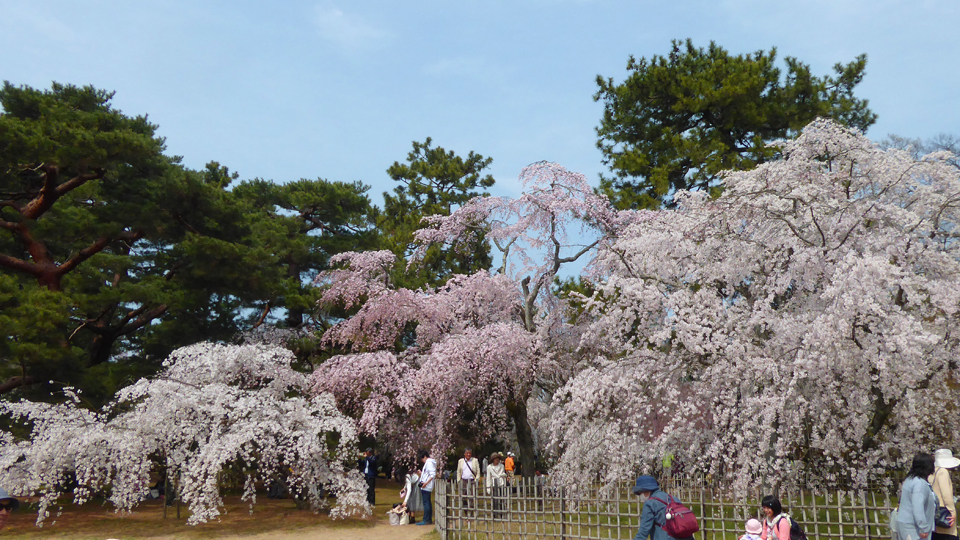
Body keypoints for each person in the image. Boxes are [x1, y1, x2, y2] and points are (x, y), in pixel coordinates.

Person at [632, 475, 694, 540]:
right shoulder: (673, 498)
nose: (641, 496)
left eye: (641, 493)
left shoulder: (650, 504)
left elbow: (643, 532)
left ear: (646, 491)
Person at [897, 452, 937, 540]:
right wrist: (923, 527)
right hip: (913, 527)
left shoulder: (909, 479)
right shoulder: (919, 483)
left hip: (904, 523)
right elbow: (918, 506)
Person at [931, 449, 960, 540]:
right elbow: (946, 495)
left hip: (934, 513)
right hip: (944, 514)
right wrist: (952, 512)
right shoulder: (943, 472)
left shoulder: (931, 472)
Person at [457, 448, 481, 518]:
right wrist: (459, 480)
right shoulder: (461, 461)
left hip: (472, 480)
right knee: (464, 497)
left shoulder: (475, 460)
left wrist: (476, 480)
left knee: (472, 497)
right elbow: (458, 472)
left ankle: (471, 513)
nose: (468, 454)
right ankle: (466, 513)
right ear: (464, 454)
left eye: (469, 453)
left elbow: (478, 471)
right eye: (467, 453)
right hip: (464, 480)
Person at [416, 449, 437, 526]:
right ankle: (428, 519)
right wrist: (422, 473)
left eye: (422, 458)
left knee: (426, 503)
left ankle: (426, 519)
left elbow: (432, 474)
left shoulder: (429, 463)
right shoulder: (429, 463)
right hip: (426, 485)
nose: (422, 460)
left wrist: (426, 483)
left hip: (426, 486)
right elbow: (428, 474)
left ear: (425, 456)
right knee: (427, 502)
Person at [485, 452, 507, 518]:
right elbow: (488, 477)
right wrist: (488, 487)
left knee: (501, 499)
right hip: (494, 485)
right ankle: (495, 514)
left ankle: (502, 514)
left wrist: (502, 475)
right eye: (495, 459)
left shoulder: (501, 466)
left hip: (501, 484)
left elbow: (503, 474)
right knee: (494, 500)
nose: (497, 460)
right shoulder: (489, 467)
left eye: (497, 458)